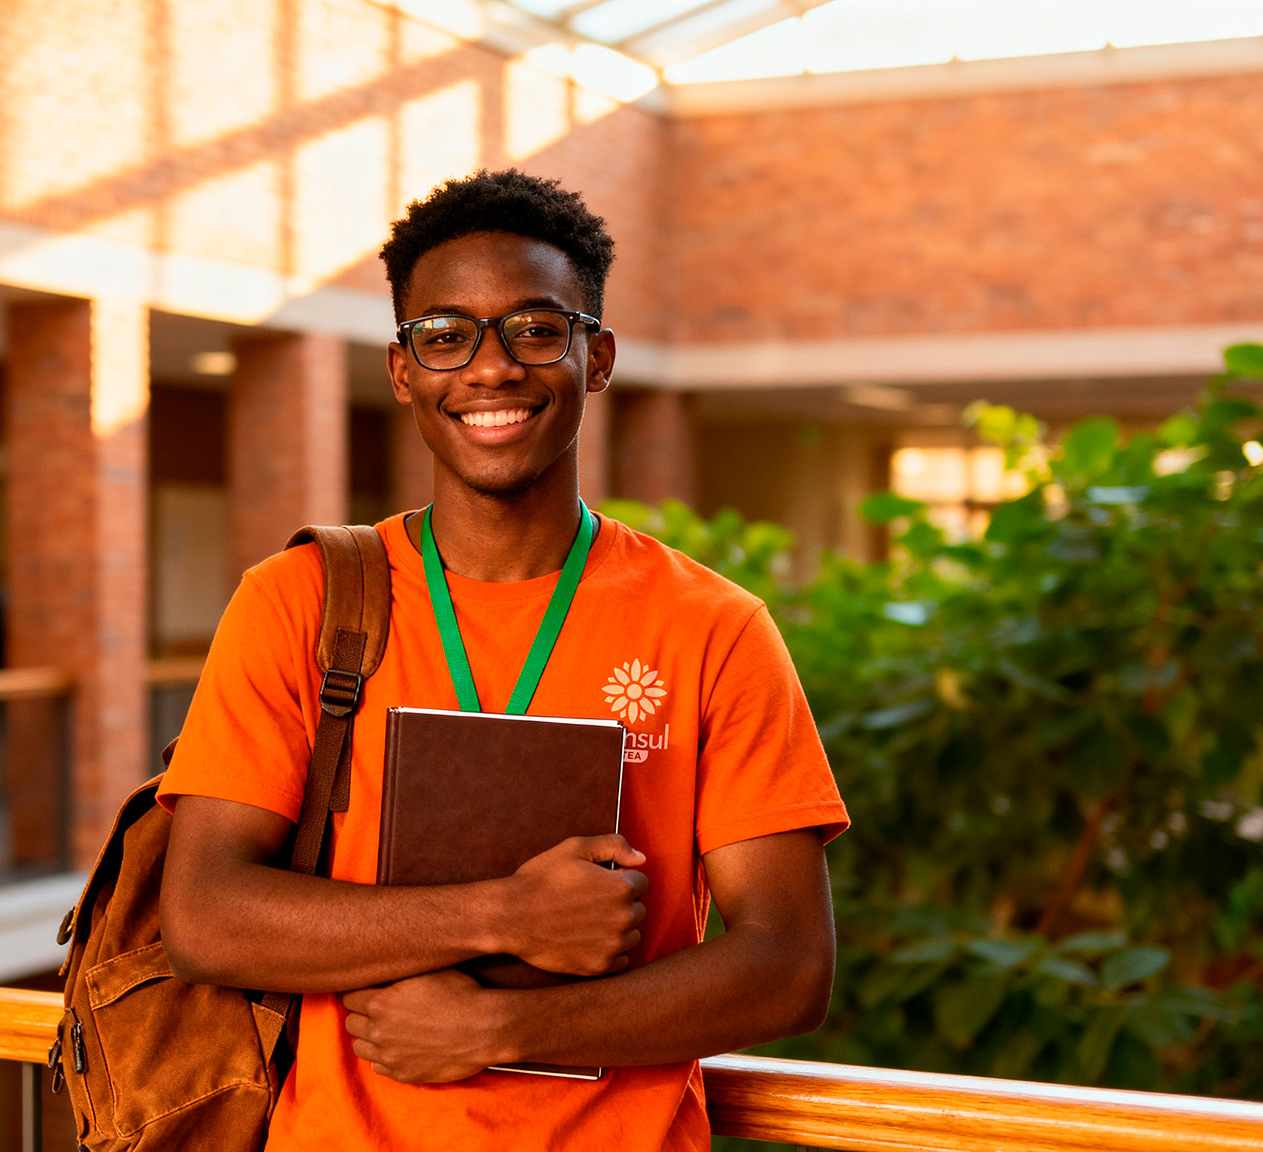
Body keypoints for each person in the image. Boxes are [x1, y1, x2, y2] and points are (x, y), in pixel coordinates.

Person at [158, 169, 847, 1151]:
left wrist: (500, 1029)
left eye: (533, 329)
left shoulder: (711, 627)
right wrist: (505, 915)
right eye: (445, 335)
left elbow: (787, 966)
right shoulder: (299, 601)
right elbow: (205, 916)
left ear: (595, 357)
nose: (490, 369)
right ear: (403, 369)